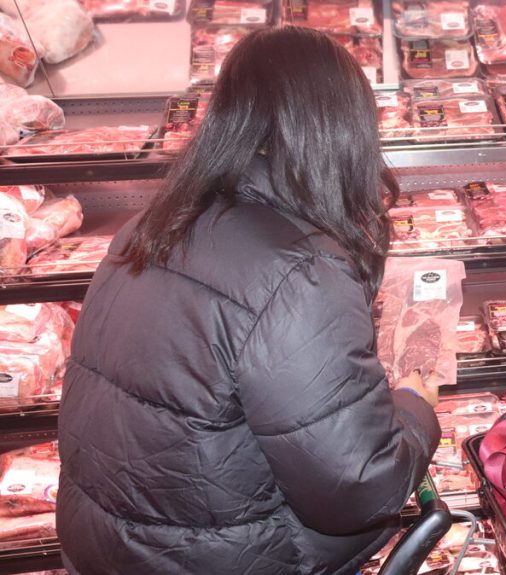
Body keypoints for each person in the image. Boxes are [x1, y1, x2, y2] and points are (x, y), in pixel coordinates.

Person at [56, 27, 441, 574]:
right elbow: (354, 489)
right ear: (344, 130)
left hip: (108, 548)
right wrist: (415, 408)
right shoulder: (300, 271)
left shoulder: (151, 227)